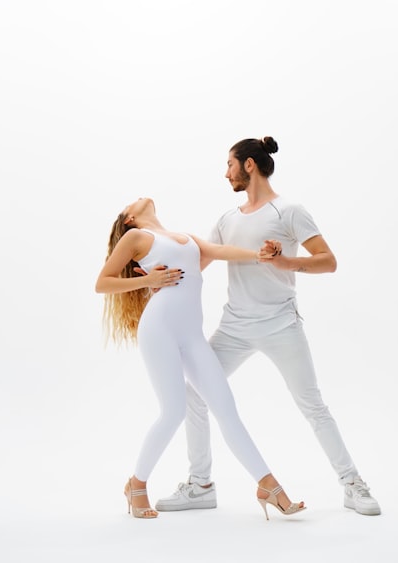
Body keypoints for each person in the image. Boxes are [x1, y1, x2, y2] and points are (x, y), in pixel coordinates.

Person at [155, 136, 381, 516]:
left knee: (312, 405)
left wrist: (286, 264)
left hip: (281, 324)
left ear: (248, 165)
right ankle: (200, 484)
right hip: (234, 328)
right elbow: (202, 262)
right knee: (195, 394)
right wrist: (159, 276)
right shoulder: (227, 219)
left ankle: (352, 484)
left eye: (229, 164)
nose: (225, 173)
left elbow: (328, 261)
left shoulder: (289, 211)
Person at [95, 196, 306, 520]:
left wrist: (260, 255)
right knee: (173, 411)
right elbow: (103, 283)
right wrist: (149, 280)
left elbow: (221, 253)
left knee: (226, 407)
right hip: (159, 330)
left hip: (192, 336)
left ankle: (268, 486)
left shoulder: (187, 239)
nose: (140, 198)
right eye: (131, 202)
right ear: (129, 220)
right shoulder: (136, 238)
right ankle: (136, 485)